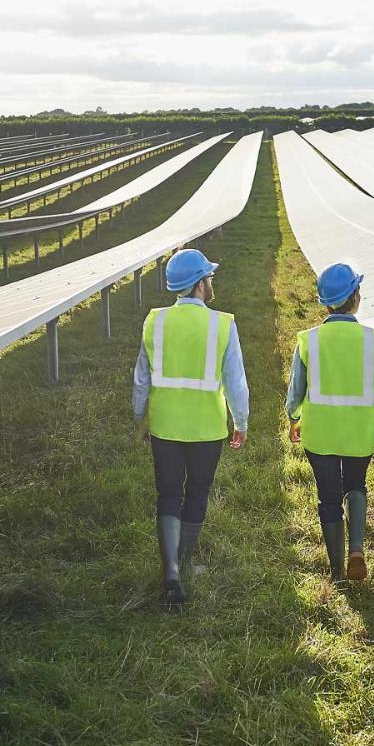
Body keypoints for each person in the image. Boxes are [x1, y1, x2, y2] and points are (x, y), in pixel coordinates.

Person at [133, 248, 249, 607]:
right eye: (209, 277)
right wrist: (240, 422)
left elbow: (141, 379)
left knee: (168, 494)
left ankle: (170, 571)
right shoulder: (223, 324)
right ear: (200, 284)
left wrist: (140, 417)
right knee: (197, 493)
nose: (212, 282)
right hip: (206, 429)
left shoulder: (155, 321)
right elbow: (236, 382)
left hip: (165, 426)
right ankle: (183, 562)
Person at [285, 262, 374, 583]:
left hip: (319, 433)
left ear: (325, 302)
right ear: (356, 297)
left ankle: (336, 572)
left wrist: (294, 419)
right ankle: (357, 550)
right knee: (356, 485)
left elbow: (295, 393)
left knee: (328, 497)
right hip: (358, 434)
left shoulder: (309, 340)